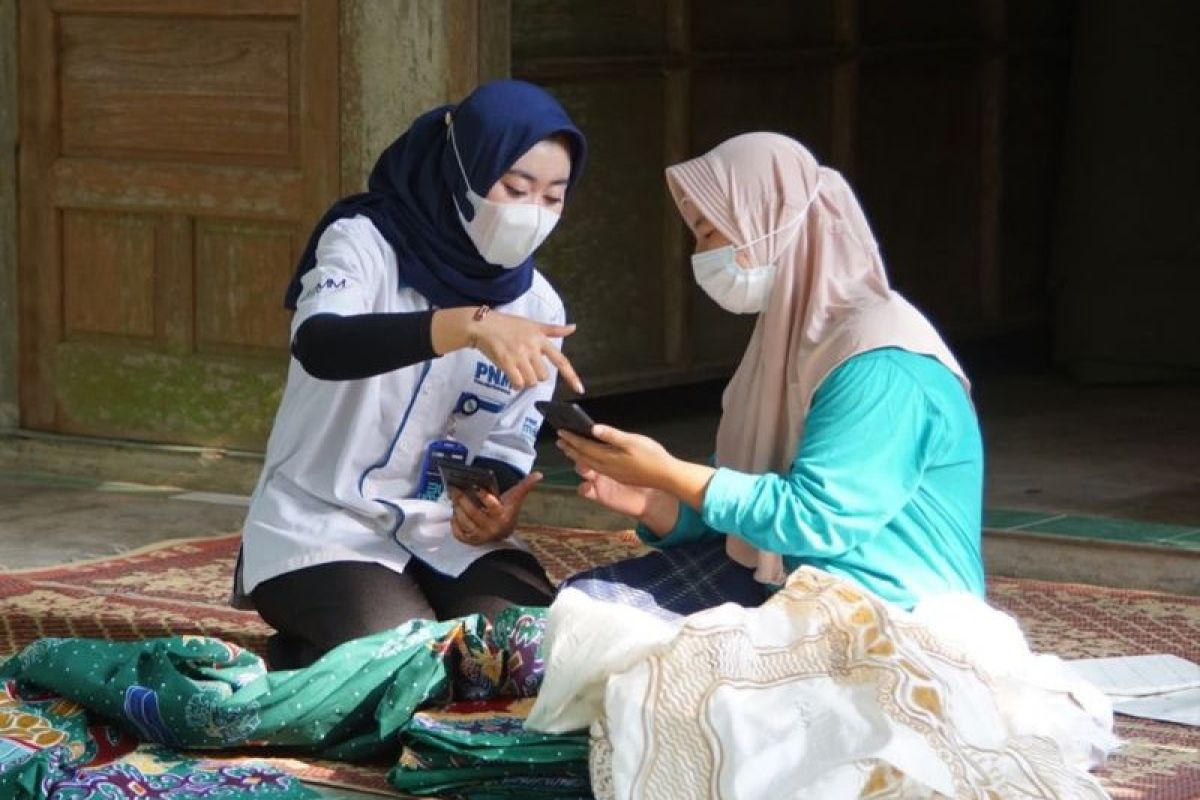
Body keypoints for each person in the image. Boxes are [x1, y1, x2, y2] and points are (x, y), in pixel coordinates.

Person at [233, 80, 588, 669]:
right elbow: (321, 344)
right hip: (323, 521)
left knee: (536, 653)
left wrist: (490, 503)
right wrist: (467, 326)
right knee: (406, 659)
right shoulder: (365, 240)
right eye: (515, 188)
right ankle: (303, 650)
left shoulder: (539, 308)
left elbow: (508, 440)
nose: (532, 212)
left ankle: (342, 650)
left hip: (441, 529)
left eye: (553, 197)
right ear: (464, 169)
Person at [555, 132, 984, 618]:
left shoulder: (882, 361)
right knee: (583, 609)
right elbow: (743, 502)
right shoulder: (791, 342)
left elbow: (814, 520)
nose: (699, 252)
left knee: (624, 656)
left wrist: (671, 472)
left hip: (883, 608)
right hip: (787, 578)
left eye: (709, 230)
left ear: (771, 224)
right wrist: (655, 497)